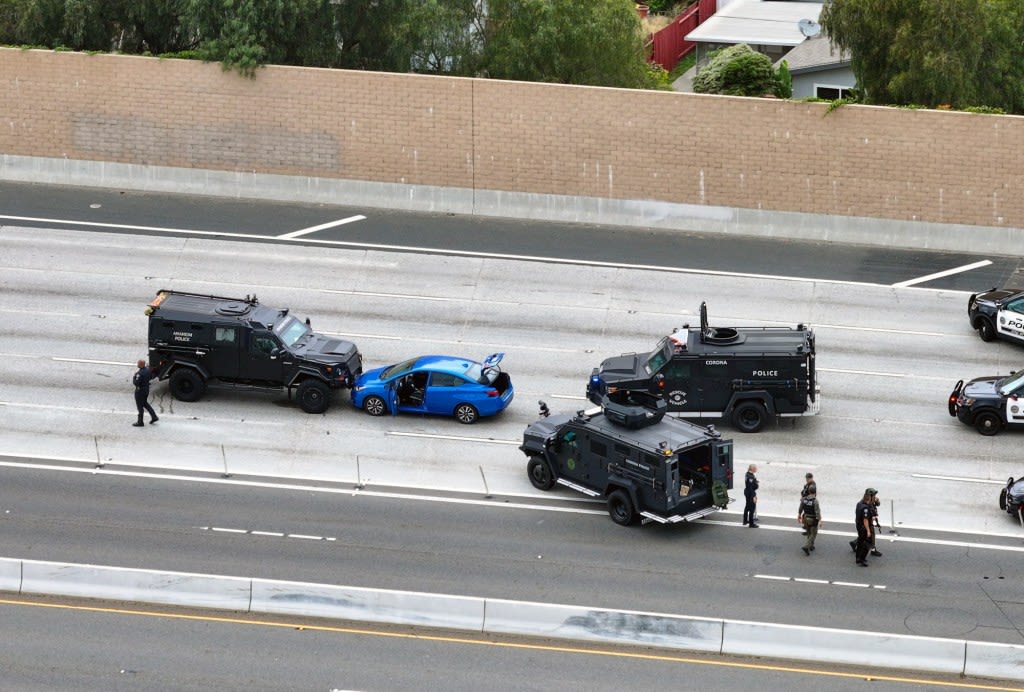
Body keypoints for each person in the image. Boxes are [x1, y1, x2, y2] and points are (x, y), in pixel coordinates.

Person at [132, 359, 158, 427]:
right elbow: (150, 377)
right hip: (146, 390)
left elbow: (136, 383)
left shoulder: (139, 373)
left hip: (140, 392)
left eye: (138, 363)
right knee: (145, 404)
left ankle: (140, 422)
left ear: (141, 365)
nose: (137, 364)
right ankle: (154, 416)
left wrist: (134, 377)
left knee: (140, 407)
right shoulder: (147, 371)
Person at [854, 488, 876, 566]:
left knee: (860, 542)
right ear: (869, 498)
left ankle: (857, 558)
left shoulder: (859, 503)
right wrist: (868, 531)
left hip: (858, 525)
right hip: (864, 527)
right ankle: (862, 559)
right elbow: (865, 520)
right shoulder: (865, 508)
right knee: (868, 543)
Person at [797, 489, 821, 555]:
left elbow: (800, 508)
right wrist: (819, 520)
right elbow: (817, 512)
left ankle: (811, 546)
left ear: (809, 492)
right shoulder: (815, 501)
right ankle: (806, 546)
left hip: (805, 518)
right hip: (812, 519)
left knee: (809, 532)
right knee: (813, 533)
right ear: (815, 493)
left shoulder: (804, 499)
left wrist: (799, 514)